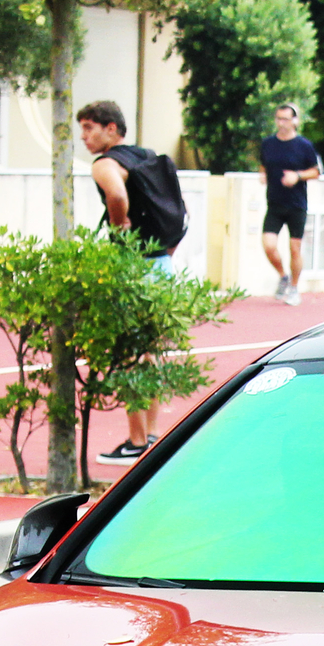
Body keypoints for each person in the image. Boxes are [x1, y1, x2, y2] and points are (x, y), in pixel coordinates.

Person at [76, 99, 190, 469]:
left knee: (128, 355)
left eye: (89, 128)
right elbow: (176, 210)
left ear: (112, 129)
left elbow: (117, 195)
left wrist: (120, 229)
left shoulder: (106, 164)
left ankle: (136, 440)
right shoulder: (147, 157)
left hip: (134, 265)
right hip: (161, 262)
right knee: (151, 353)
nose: (83, 137)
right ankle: (151, 435)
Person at [259, 102, 321, 305]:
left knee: (295, 248)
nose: (281, 123)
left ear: (295, 121)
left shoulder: (304, 146)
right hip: (274, 204)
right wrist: (262, 174)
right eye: (278, 119)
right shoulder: (268, 143)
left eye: (285, 119)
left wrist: (297, 176)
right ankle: (283, 276)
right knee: (269, 246)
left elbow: (316, 171)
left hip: (296, 205)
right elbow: (263, 163)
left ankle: (294, 288)